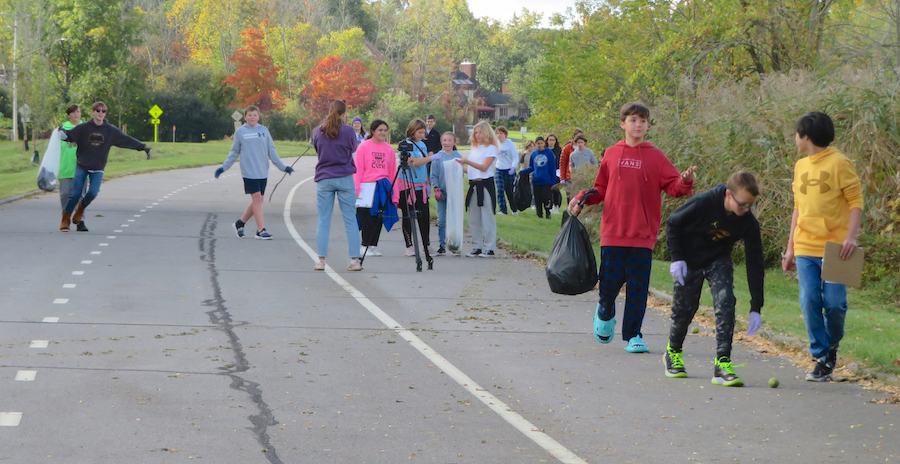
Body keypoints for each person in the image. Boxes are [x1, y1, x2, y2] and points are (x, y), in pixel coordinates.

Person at [569, 102, 696, 354]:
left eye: (643, 121)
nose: (638, 125)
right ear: (623, 123)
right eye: (633, 120)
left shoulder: (656, 156)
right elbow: (601, 188)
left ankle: (633, 335)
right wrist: (581, 198)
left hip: (642, 235)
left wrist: (684, 180)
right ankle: (605, 312)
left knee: (638, 290)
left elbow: (674, 187)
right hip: (613, 233)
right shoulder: (612, 154)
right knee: (608, 286)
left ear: (647, 125)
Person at [782, 111, 864, 382]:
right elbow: (798, 208)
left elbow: (856, 202)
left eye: (796, 135)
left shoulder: (840, 163)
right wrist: (790, 248)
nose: (795, 140)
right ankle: (821, 355)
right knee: (809, 300)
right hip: (805, 245)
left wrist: (851, 237)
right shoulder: (800, 166)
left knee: (835, 304)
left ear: (805, 136)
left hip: (837, 248)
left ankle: (832, 345)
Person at [663, 171, 765, 387]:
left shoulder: (748, 222)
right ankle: (673, 351)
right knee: (684, 309)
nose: (746, 210)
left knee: (725, 301)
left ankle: (722, 363)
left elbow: (755, 263)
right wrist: (677, 258)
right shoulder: (704, 202)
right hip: (689, 259)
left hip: (718, 259)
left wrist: (756, 305)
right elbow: (673, 222)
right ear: (728, 195)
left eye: (750, 205)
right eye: (742, 205)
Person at [59, 101, 151, 232]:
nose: (100, 113)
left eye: (103, 111)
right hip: (82, 166)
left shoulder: (110, 130)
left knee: (93, 193)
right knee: (75, 194)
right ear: (92, 112)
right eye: (98, 110)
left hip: (98, 168)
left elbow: (126, 139)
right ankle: (66, 218)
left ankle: (80, 209)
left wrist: (143, 147)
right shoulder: (84, 127)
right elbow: (69, 136)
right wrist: (61, 133)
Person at [214, 105, 292, 240]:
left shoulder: (264, 131)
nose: (252, 117)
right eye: (250, 115)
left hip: (262, 171)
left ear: (258, 117)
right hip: (249, 171)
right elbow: (234, 152)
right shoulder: (240, 132)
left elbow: (272, 151)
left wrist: (283, 167)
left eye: (255, 115)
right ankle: (261, 230)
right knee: (256, 198)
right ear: (245, 117)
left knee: (259, 200)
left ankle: (240, 223)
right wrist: (224, 167)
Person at [312, 100, 362, 271]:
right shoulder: (349, 130)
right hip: (344, 176)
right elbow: (353, 148)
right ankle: (354, 260)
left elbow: (318, 149)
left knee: (324, 220)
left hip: (325, 177)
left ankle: (321, 260)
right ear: (344, 113)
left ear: (330, 110)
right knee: (350, 219)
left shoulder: (318, 130)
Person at [354, 119, 399, 258]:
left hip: (382, 186)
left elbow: (392, 172)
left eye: (385, 130)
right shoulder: (364, 147)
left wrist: (395, 194)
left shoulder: (389, 149)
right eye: (380, 130)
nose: (383, 133)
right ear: (373, 131)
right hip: (367, 186)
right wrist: (356, 189)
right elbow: (358, 169)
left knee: (379, 216)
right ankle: (364, 245)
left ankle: (373, 245)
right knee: (366, 216)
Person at [398, 119, 440, 256]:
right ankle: (409, 245)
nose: (422, 135)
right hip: (407, 185)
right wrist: (431, 158)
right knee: (408, 215)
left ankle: (426, 245)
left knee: (424, 216)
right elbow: (412, 162)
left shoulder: (422, 144)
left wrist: (427, 183)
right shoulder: (406, 145)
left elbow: (423, 166)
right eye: (419, 132)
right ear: (412, 131)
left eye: (423, 132)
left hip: (421, 184)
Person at [458, 121, 499, 257]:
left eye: (480, 132)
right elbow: (471, 169)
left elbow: (484, 167)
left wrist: (467, 162)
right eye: (476, 132)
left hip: (485, 184)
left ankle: (490, 247)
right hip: (473, 184)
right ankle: (477, 246)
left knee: (487, 217)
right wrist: (459, 167)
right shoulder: (475, 148)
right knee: (473, 218)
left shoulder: (491, 148)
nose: (478, 135)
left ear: (487, 133)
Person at [430, 131, 463, 255]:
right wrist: (436, 188)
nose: (447, 143)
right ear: (441, 142)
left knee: (454, 219)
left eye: (450, 140)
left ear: (454, 142)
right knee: (441, 220)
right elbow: (434, 175)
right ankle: (442, 244)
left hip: (453, 192)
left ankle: (454, 243)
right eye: (444, 140)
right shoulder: (438, 157)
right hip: (442, 192)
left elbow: (460, 174)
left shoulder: (458, 156)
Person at [58, 104, 85, 231]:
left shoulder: (86, 128)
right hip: (65, 166)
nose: (76, 114)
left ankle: (81, 221)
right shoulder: (62, 129)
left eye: (78, 112)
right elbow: (55, 149)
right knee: (65, 194)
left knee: (80, 195)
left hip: (82, 166)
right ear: (69, 115)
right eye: (73, 112)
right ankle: (66, 218)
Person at [520, 136, 556, 219]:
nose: (540, 145)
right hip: (536, 180)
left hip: (547, 180)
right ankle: (539, 215)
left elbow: (552, 167)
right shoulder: (534, 154)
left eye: (541, 143)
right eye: (538, 143)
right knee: (537, 199)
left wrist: (553, 181)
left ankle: (548, 212)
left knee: (546, 197)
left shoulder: (549, 152)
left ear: (544, 143)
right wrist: (524, 171)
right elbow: (532, 167)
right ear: (536, 144)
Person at [494, 126, 518, 216]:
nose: (499, 135)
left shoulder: (510, 144)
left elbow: (515, 157)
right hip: (499, 169)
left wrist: (513, 167)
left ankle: (514, 209)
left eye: (501, 133)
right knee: (500, 190)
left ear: (505, 134)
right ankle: (502, 210)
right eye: (497, 133)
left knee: (510, 191)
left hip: (509, 170)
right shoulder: (495, 144)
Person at [546, 133, 563, 213]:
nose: (551, 142)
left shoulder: (559, 150)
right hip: (547, 172)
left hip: (556, 172)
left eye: (553, 140)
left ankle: (556, 205)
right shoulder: (545, 150)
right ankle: (549, 204)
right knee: (548, 189)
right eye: (550, 140)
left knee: (555, 189)